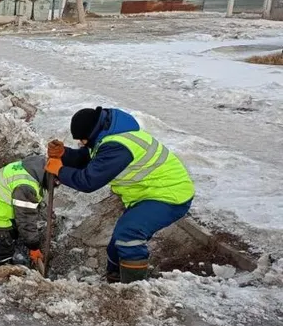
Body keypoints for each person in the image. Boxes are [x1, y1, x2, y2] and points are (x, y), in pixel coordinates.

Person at [44, 107, 195, 284]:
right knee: (116, 245)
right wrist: (65, 154)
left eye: (83, 139)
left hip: (169, 195)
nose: (82, 143)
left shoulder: (118, 147)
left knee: (128, 235)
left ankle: (133, 290)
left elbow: (88, 181)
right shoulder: (108, 136)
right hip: (147, 194)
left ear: (91, 133)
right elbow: (89, 158)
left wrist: (60, 171)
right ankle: (114, 283)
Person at [0, 156, 55, 268]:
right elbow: (25, 219)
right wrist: (33, 247)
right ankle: (2, 266)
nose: (56, 185)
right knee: (4, 247)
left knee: (15, 234)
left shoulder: (36, 168)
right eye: (56, 182)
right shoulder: (26, 187)